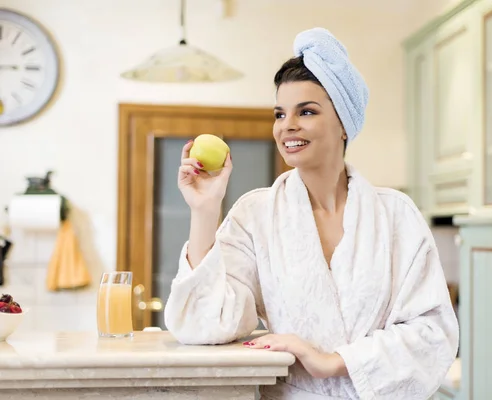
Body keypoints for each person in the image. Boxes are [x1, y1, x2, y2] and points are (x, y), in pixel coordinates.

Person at [164, 27, 459, 400]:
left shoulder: (396, 215)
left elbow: (433, 332)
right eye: (279, 113)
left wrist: (333, 361)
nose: (287, 125)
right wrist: (205, 211)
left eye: (306, 111)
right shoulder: (256, 214)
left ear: (343, 125)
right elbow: (202, 324)